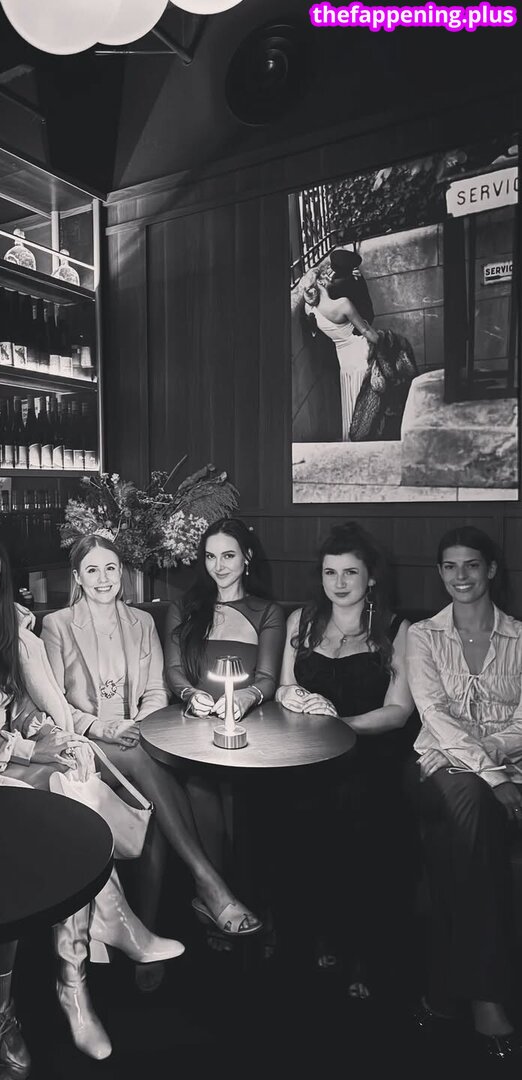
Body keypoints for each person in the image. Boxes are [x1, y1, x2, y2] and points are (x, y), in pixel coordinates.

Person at [0, 529, 183, 1064]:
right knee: (62, 822)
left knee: (76, 787)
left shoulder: (3, 625)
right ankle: (55, 980)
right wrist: (30, 748)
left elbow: (25, 705)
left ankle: (77, 984)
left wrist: (50, 736)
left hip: (9, 758)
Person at [41, 534, 260, 981]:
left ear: (122, 572)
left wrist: (137, 724)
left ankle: (148, 937)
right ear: (78, 578)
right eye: (92, 570)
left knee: (154, 812)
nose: (103, 578)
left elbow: (158, 690)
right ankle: (208, 883)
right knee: (147, 764)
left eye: (111, 568)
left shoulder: (141, 622)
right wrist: (101, 728)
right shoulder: (57, 625)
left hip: (136, 738)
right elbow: (54, 703)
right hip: (84, 745)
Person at [277, 521, 416, 999]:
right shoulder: (301, 621)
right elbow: (283, 686)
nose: (338, 582)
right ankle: (313, 934)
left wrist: (342, 725)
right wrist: (296, 700)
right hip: (306, 753)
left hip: (369, 754)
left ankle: (364, 951)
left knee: (357, 811)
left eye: (350, 572)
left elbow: (399, 711)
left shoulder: (397, 630)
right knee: (289, 809)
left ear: (370, 577)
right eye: (329, 572)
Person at [407, 526, 522, 1061]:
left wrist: (488, 756)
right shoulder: (423, 636)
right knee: (473, 800)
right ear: (440, 573)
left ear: (490, 569)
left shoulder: (520, 637)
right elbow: (434, 714)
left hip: (493, 765)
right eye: (450, 566)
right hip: (439, 768)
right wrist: (494, 776)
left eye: (471, 565)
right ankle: (487, 996)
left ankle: (444, 989)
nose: (461, 576)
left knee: (460, 842)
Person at [164, 518, 285, 945]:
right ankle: (217, 898)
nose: (219, 566)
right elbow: (174, 671)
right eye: (211, 556)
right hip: (194, 727)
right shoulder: (185, 608)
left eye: (228, 555)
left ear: (247, 557)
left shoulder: (266, 611)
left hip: (249, 729)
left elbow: (267, 679)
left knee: (242, 794)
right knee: (200, 786)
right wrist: (189, 694)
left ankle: (242, 901)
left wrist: (244, 698)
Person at [303, 267, 379, 442]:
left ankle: (353, 440)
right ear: (320, 282)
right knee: (367, 399)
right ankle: (369, 438)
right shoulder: (343, 304)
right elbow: (366, 331)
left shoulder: (309, 309)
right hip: (361, 352)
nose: (331, 276)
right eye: (326, 274)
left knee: (352, 400)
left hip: (344, 359)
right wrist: (383, 341)